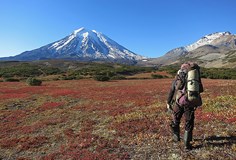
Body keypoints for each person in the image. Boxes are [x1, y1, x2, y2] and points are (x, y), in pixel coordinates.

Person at [166, 62, 203, 150]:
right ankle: (187, 144)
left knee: (176, 118)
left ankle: (176, 138)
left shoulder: (179, 76)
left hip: (179, 101)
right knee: (189, 122)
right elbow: (201, 89)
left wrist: (168, 101)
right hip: (190, 102)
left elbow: (172, 89)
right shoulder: (195, 77)